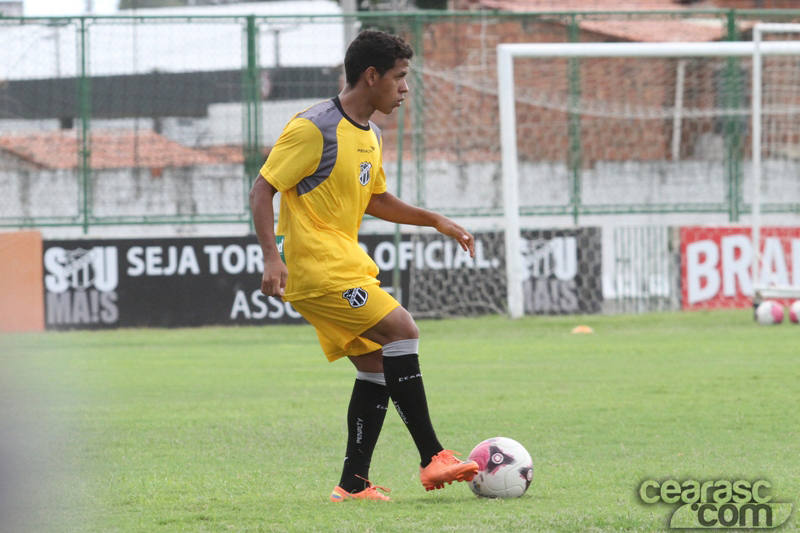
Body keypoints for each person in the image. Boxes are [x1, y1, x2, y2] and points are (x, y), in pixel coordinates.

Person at [249, 29, 479, 502]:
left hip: (343, 265)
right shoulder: (312, 128)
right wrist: (272, 257)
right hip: (319, 269)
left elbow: (376, 198)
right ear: (371, 75)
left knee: (375, 368)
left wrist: (435, 220)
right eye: (399, 77)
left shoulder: (370, 133)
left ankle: (353, 483)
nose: (405, 88)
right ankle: (433, 457)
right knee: (403, 328)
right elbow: (262, 188)